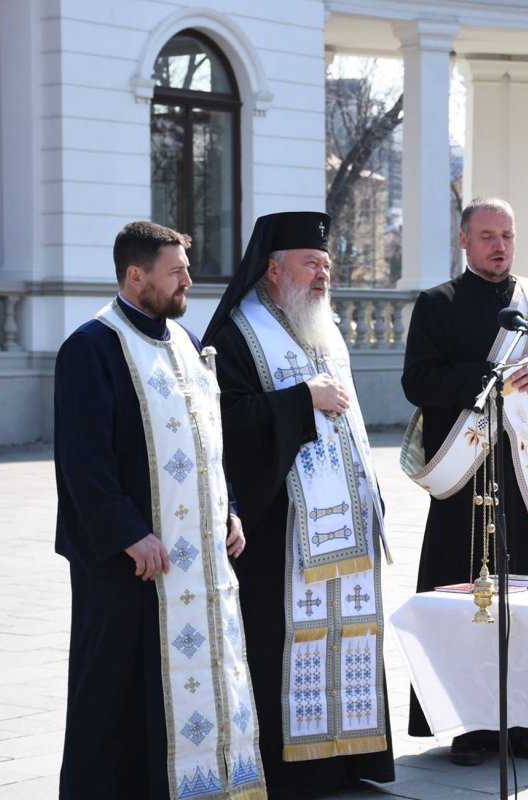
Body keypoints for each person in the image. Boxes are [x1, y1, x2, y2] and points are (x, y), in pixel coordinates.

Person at [56, 221, 264, 800]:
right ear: (135, 276)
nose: (188, 283)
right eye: (176, 273)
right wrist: (129, 534)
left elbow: (208, 444)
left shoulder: (188, 344)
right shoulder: (90, 347)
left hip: (196, 559)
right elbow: (82, 459)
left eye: (187, 271)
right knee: (116, 693)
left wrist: (230, 512)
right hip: (128, 563)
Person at [203, 212, 394, 797]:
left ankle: (346, 759)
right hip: (280, 529)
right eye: (311, 264)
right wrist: (299, 400)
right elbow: (224, 421)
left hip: (345, 522)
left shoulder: (326, 328)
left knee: (349, 633)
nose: (321, 277)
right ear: (273, 267)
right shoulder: (236, 331)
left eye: (327, 267)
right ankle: (290, 769)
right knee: (284, 641)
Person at [400, 196, 528, 765]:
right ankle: (469, 723)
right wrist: (488, 377)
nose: (499, 246)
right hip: (467, 477)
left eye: (506, 235)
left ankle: (524, 721)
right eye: (487, 236)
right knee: (465, 601)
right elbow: (418, 381)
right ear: (464, 240)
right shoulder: (437, 304)